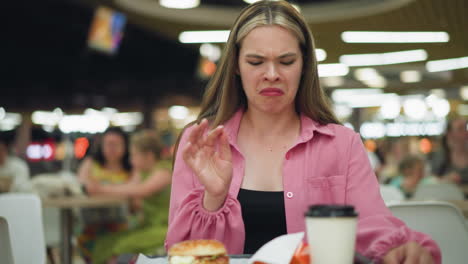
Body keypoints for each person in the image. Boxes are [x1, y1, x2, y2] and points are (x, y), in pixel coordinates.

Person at [165, 1, 441, 263]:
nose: (271, 74)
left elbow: (372, 222)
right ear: (236, 65)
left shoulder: (342, 145)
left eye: (286, 61)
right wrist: (213, 199)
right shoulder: (201, 142)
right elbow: (181, 253)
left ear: (304, 65)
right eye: (255, 62)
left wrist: (400, 248)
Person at [85, 130, 172, 264]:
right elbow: (129, 187)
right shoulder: (143, 171)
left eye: (134, 155)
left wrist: (101, 189)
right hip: (147, 226)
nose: (131, 160)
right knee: (104, 242)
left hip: (165, 229)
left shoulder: (164, 169)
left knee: (119, 246)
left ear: (148, 156)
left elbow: (142, 190)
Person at [77, 127, 133, 264]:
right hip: (91, 226)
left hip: (121, 226)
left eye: (116, 144)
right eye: (108, 144)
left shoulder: (132, 167)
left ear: (125, 146)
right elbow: (82, 187)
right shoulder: (90, 163)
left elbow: (134, 192)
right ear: (101, 146)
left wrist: (99, 188)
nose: (112, 148)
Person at [430, 117, 468, 184]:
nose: (465, 132)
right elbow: (431, 181)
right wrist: (445, 180)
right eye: (460, 129)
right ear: (450, 134)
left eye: (466, 128)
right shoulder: (440, 156)